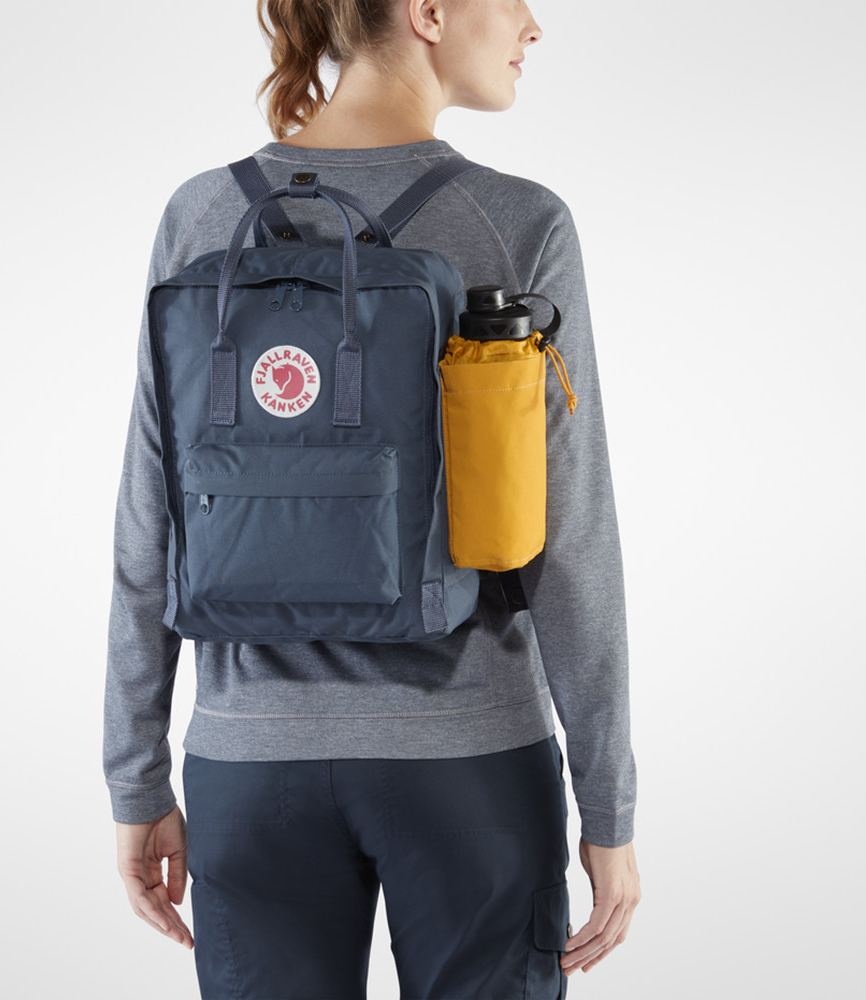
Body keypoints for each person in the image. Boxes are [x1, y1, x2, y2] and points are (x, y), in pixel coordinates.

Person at [104, 1, 640, 997]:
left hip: (249, 768)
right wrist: (607, 804)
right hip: (470, 766)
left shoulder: (204, 213)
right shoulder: (518, 220)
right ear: (429, 11)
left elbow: (152, 515)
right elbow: (569, 538)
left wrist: (135, 775)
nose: (532, 25)